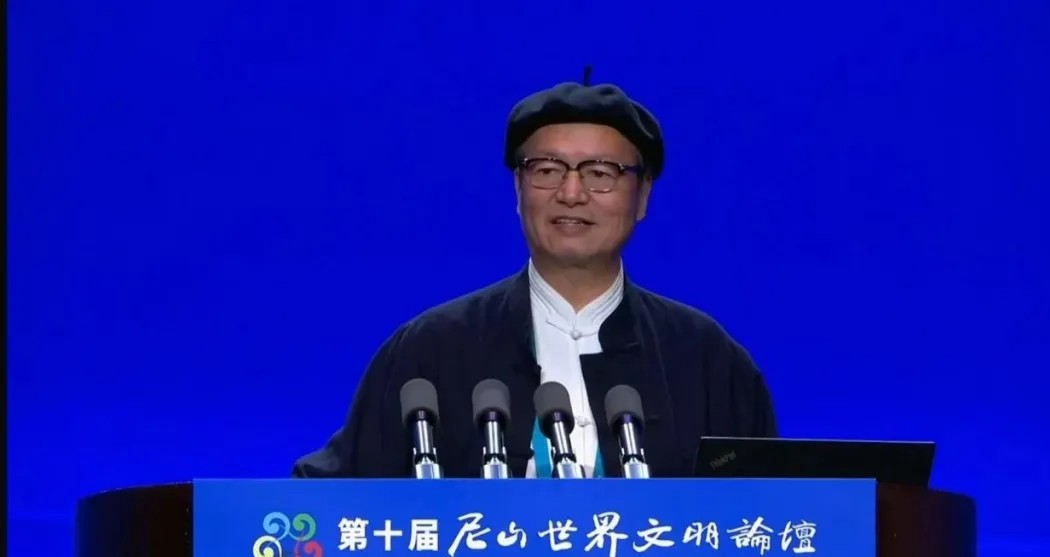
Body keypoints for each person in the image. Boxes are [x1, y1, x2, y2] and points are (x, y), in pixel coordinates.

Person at [292, 79, 778, 479]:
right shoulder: (432, 349)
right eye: (547, 169)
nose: (572, 192)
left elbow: (770, 517)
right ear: (518, 189)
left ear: (643, 194)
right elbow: (331, 500)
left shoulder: (706, 358)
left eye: (601, 173)